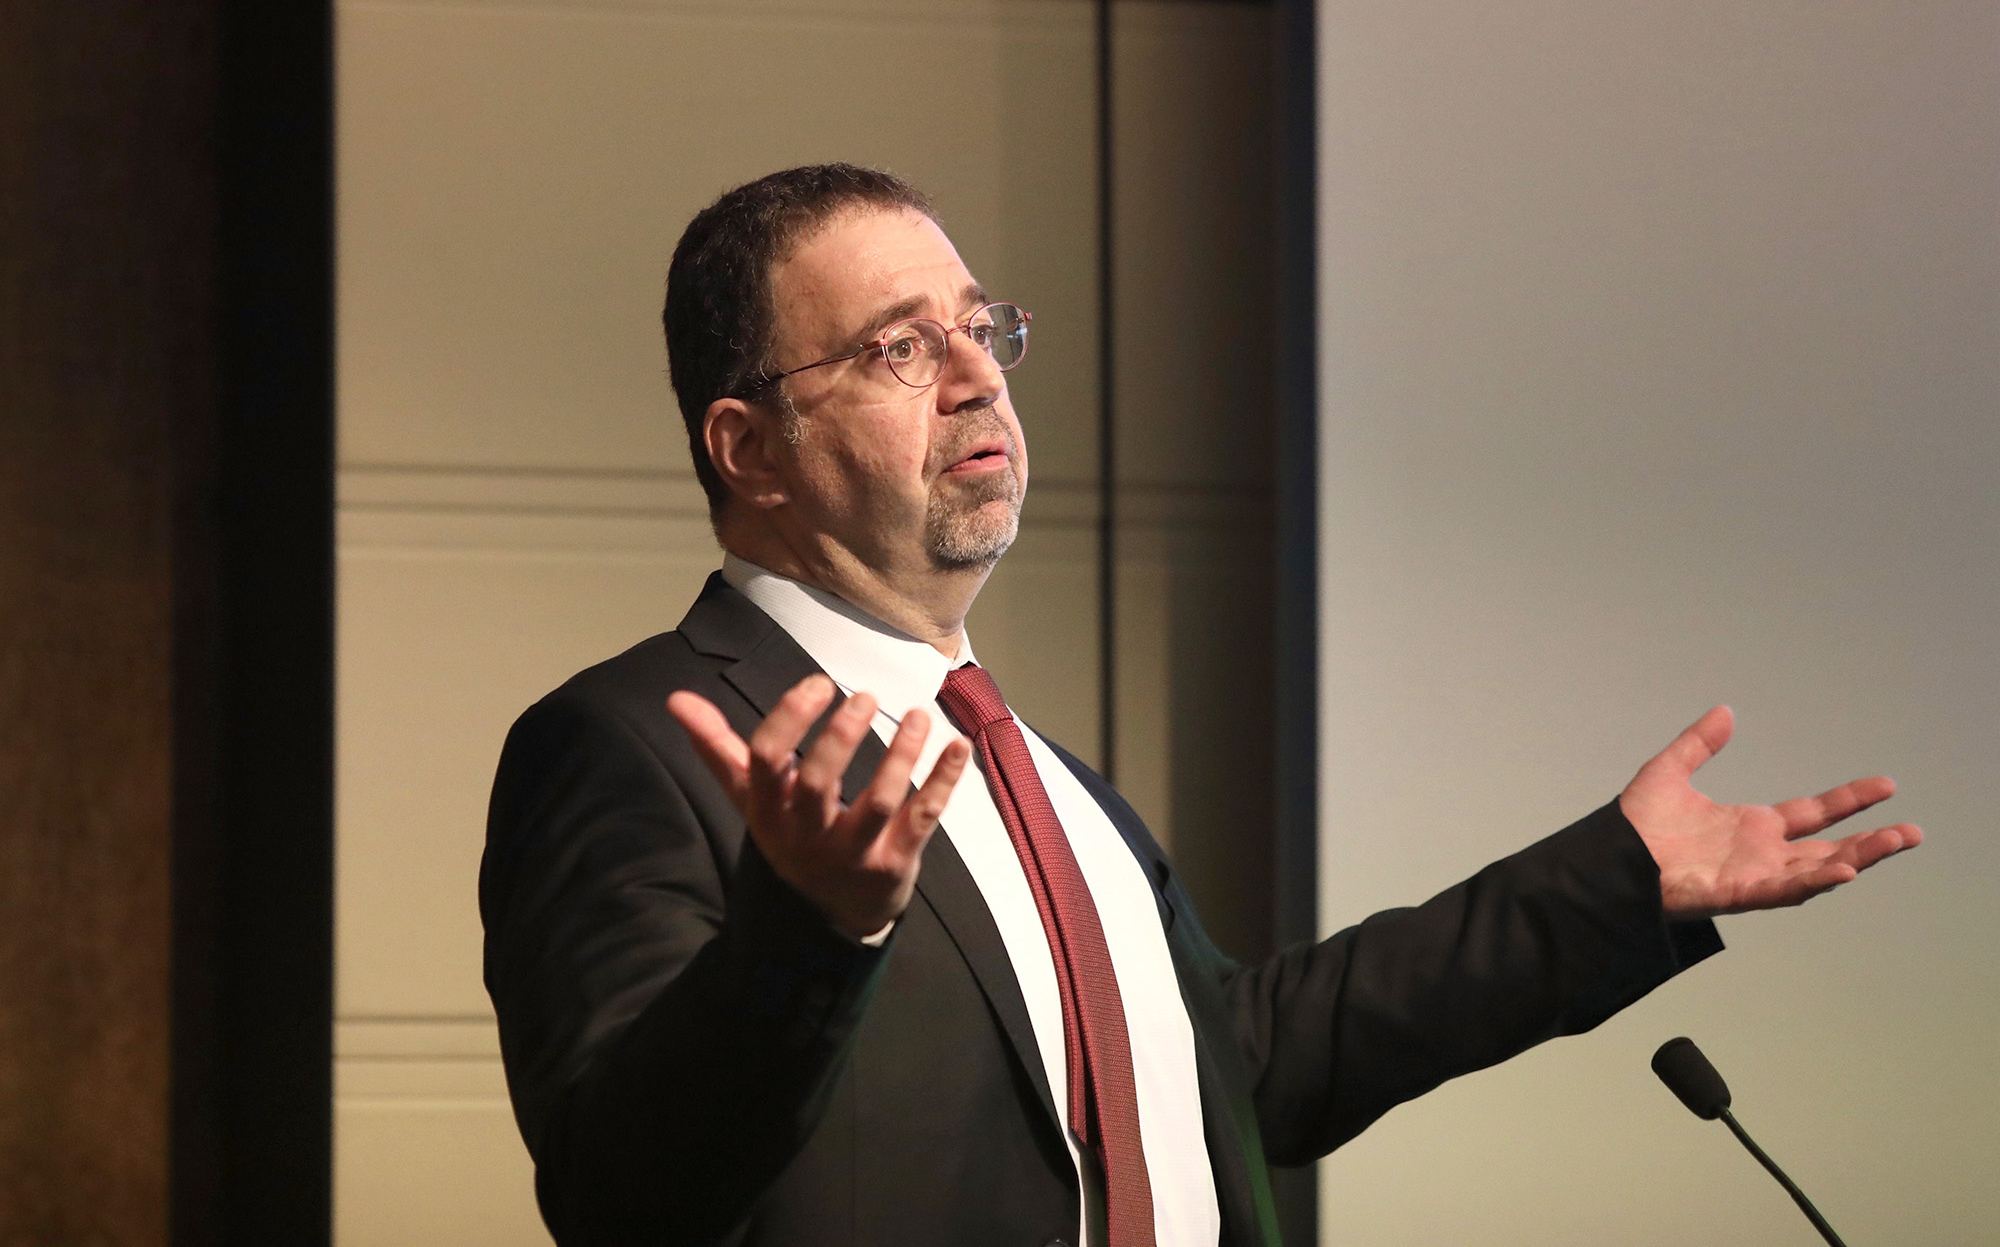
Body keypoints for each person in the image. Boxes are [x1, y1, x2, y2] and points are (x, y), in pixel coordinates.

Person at [479, 164, 1921, 1247]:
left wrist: (1616, 883)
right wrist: (811, 926)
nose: (978, 371)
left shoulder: (1044, 779)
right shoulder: (632, 743)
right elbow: (623, 1190)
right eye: (898, 347)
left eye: (981, 327)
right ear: (752, 450)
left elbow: (1237, 1059)